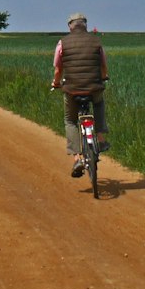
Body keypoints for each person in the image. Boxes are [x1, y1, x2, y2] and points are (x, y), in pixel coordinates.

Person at [51, 12, 109, 177]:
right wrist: (103, 77)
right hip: (94, 87)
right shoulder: (96, 41)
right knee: (98, 104)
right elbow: (103, 66)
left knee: (70, 120)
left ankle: (77, 157)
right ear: (85, 25)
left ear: (70, 26)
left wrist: (56, 83)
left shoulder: (63, 42)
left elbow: (58, 70)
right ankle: (101, 137)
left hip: (72, 88)